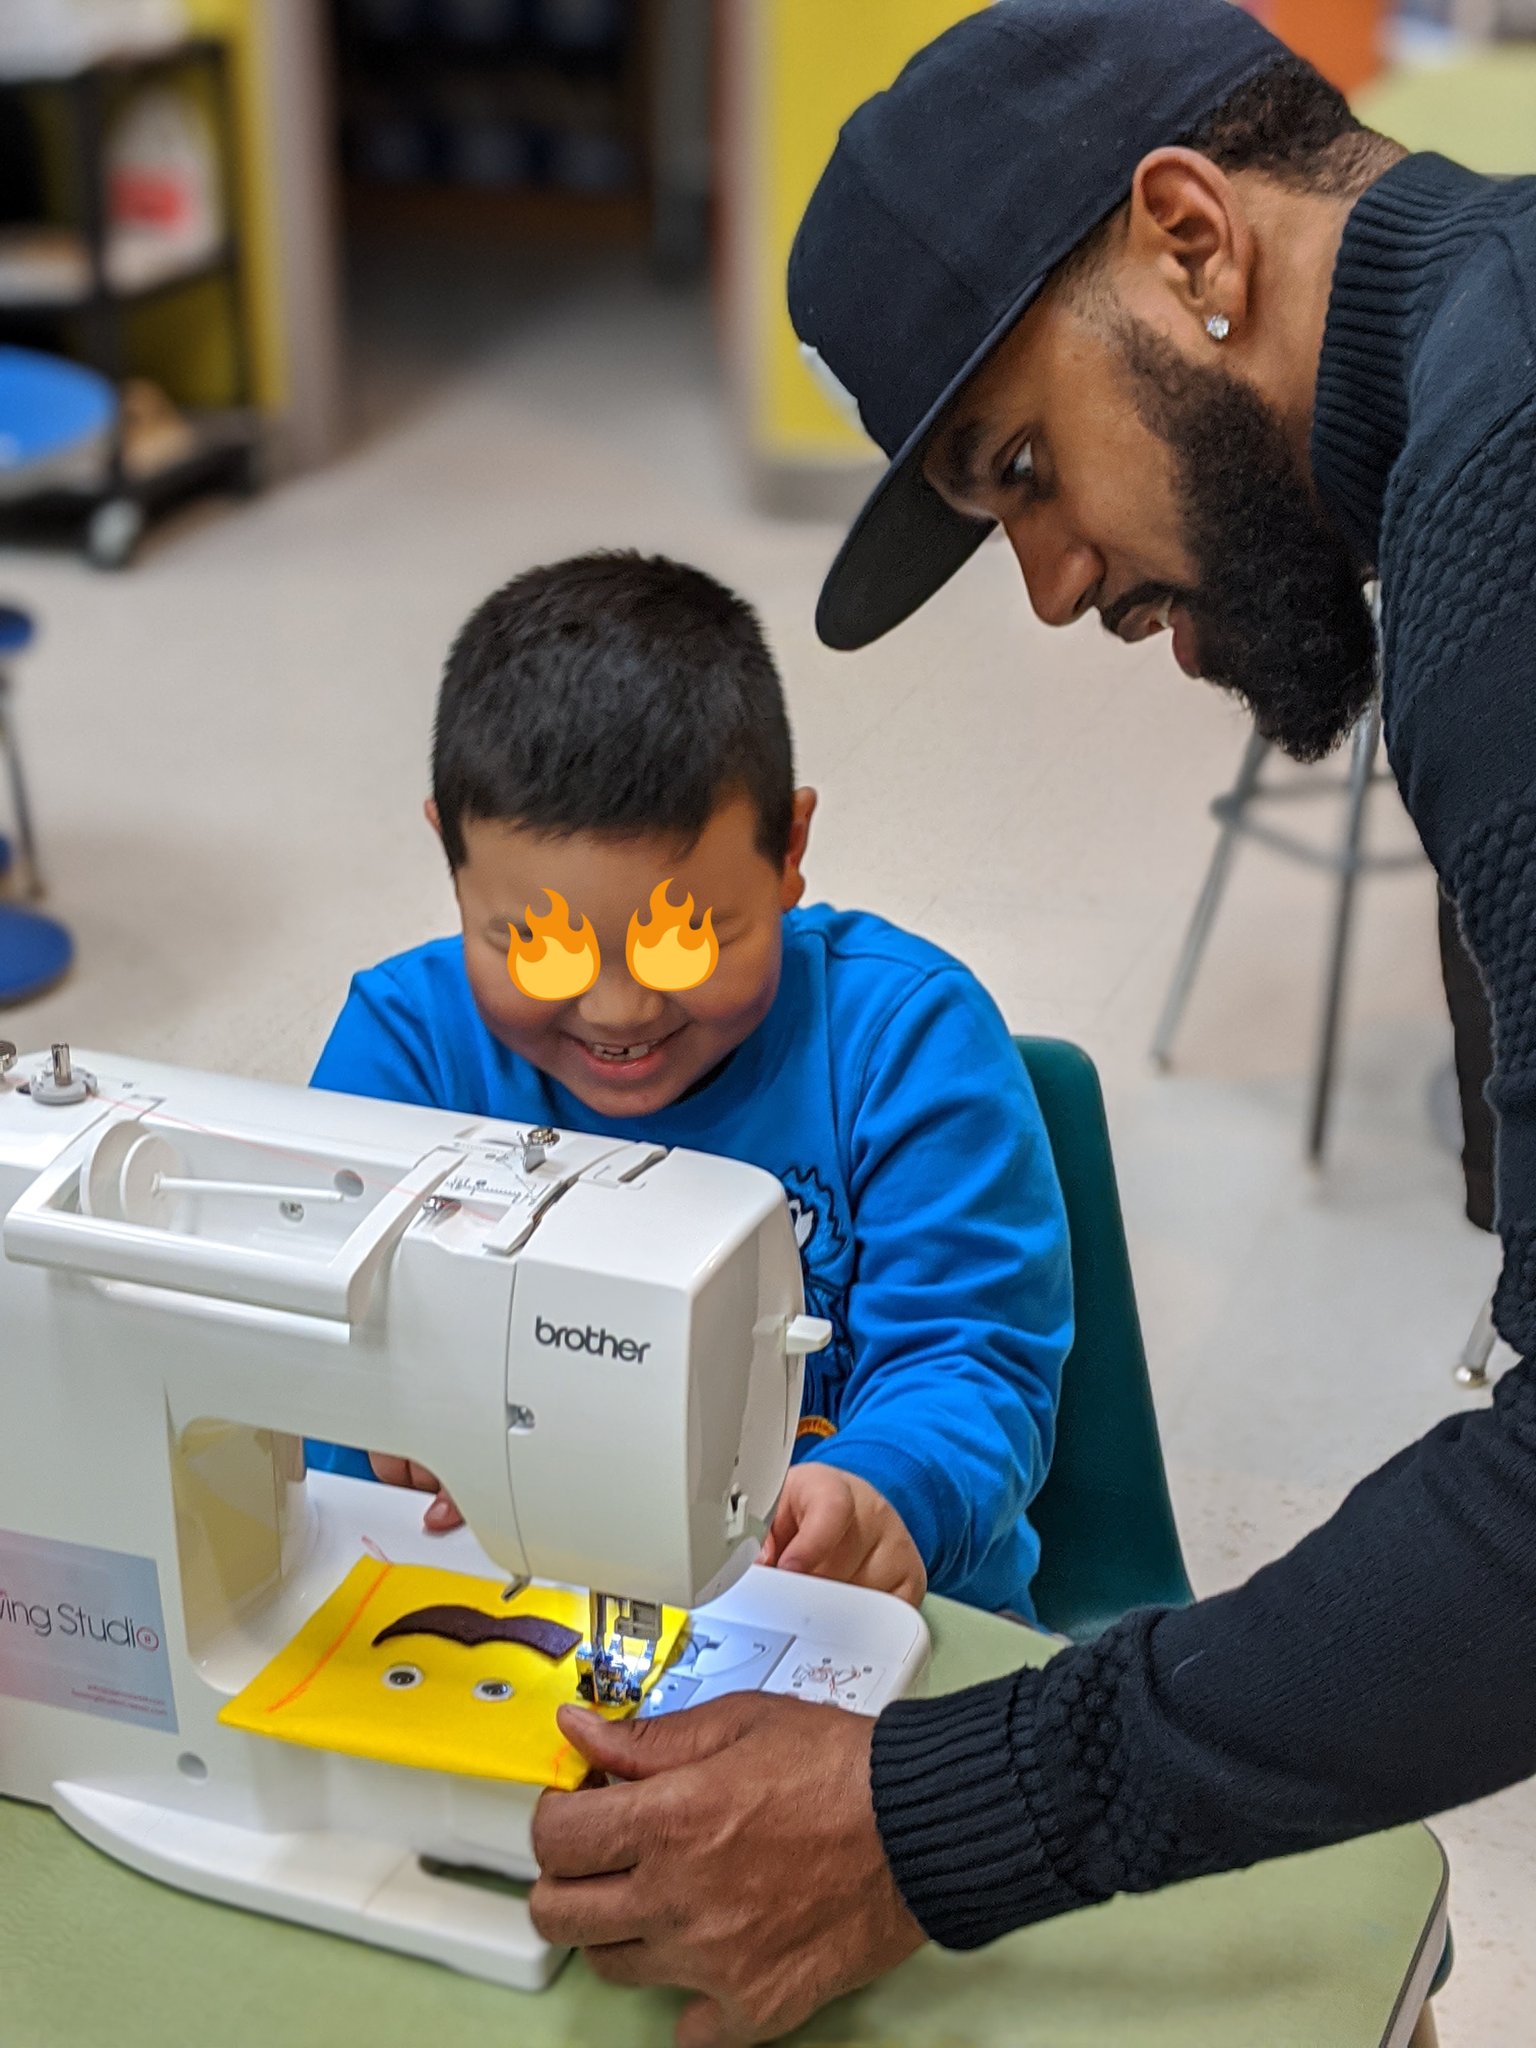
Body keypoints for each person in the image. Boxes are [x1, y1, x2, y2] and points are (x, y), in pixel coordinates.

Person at [526, 4, 1536, 2043]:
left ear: (1191, 237)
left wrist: (930, 1818)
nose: (1060, 587)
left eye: (1024, 471)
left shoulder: (1500, 529)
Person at [308, 549, 1072, 1618]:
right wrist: (371, 1422)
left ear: (790, 847)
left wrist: (883, 1487)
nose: (619, 1013)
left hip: (847, 1620)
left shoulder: (906, 1042)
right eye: (541, 947)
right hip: (497, 1616)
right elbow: (313, 1352)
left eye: (682, 941)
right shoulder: (404, 1051)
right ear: (453, 860)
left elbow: (972, 1358)